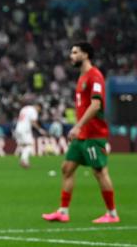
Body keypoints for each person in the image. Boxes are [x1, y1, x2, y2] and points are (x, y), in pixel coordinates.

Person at [42, 42, 119, 224]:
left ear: (85, 55)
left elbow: (96, 105)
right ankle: (63, 211)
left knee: (99, 172)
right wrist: (79, 128)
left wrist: (77, 126)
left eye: (75, 52)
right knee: (66, 169)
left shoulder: (95, 76)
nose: (71, 56)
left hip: (93, 133)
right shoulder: (82, 77)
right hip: (82, 134)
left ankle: (112, 214)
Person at [14, 102, 47, 168]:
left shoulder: (24, 108)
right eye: (39, 110)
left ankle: (25, 162)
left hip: (18, 128)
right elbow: (33, 122)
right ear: (38, 107)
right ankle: (23, 160)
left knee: (24, 146)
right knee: (29, 145)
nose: (38, 111)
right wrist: (40, 130)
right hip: (25, 130)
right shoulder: (33, 110)